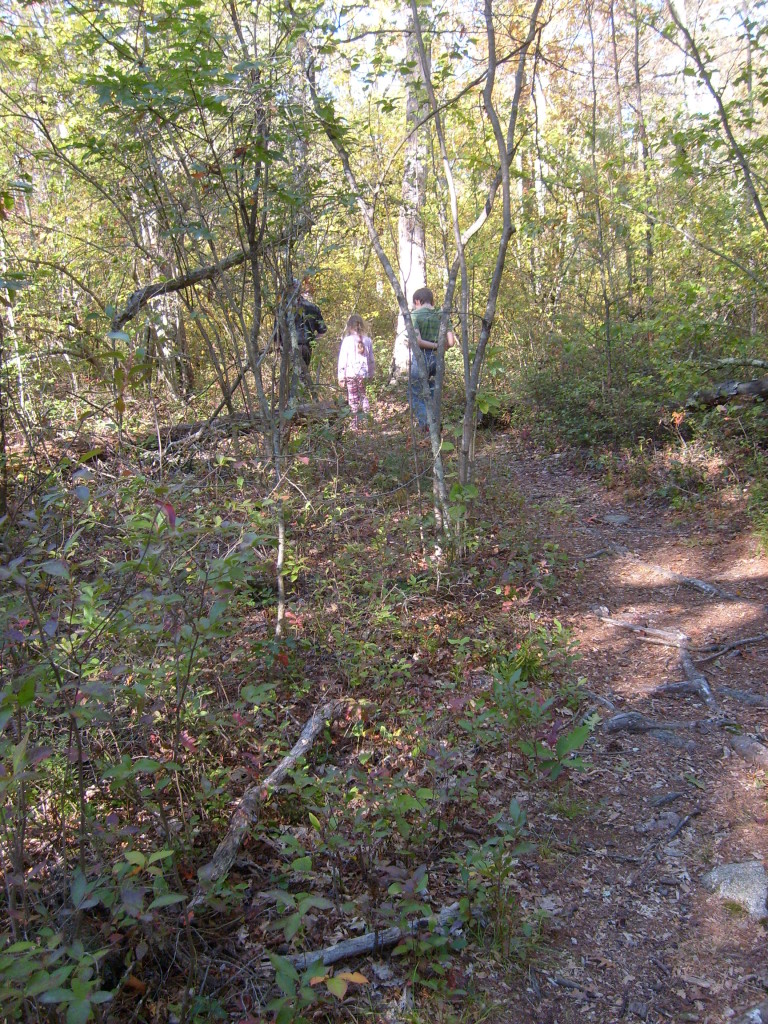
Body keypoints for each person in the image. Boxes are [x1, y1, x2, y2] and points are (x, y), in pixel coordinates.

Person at [408, 287, 456, 431]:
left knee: (414, 391)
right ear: (431, 300)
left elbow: (418, 341)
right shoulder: (442, 314)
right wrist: (440, 347)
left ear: (417, 301)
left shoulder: (415, 315)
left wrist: (434, 345)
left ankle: (427, 424)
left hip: (421, 357)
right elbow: (451, 342)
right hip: (438, 359)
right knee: (434, 392)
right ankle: (434, 423)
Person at [337, 313, 375, 430]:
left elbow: (342, 359)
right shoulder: (368, 340)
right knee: (363, 396)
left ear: (349, 327)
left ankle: (354, 424)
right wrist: (371, 374)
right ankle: (367, 421)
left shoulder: (347, 341)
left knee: (353, 398)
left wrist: (341, 376)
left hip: (350, 374)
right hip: (363, 374)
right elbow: (371, 360)